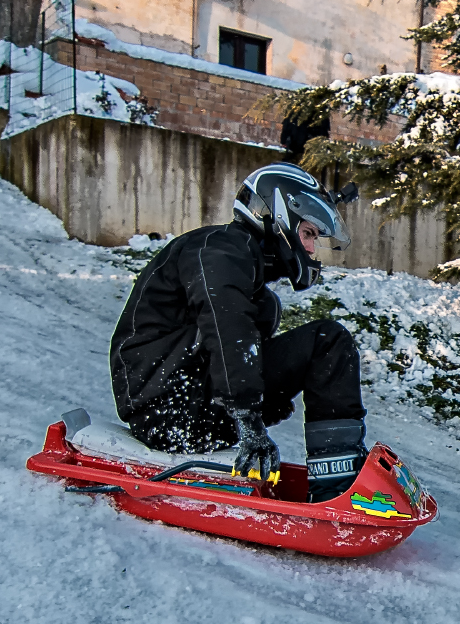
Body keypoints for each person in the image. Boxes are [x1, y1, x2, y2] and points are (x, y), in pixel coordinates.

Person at [110, 164, 366, 501]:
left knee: (286, 320)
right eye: (308, 234)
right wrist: (248, 418)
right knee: (327, 341)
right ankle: (338, 486)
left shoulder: (245, 268)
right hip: (168, 411)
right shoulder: (219, 251)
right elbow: (228, 331)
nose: (310, 250)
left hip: (195, 404)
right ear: (279, 216)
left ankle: (338, 476)